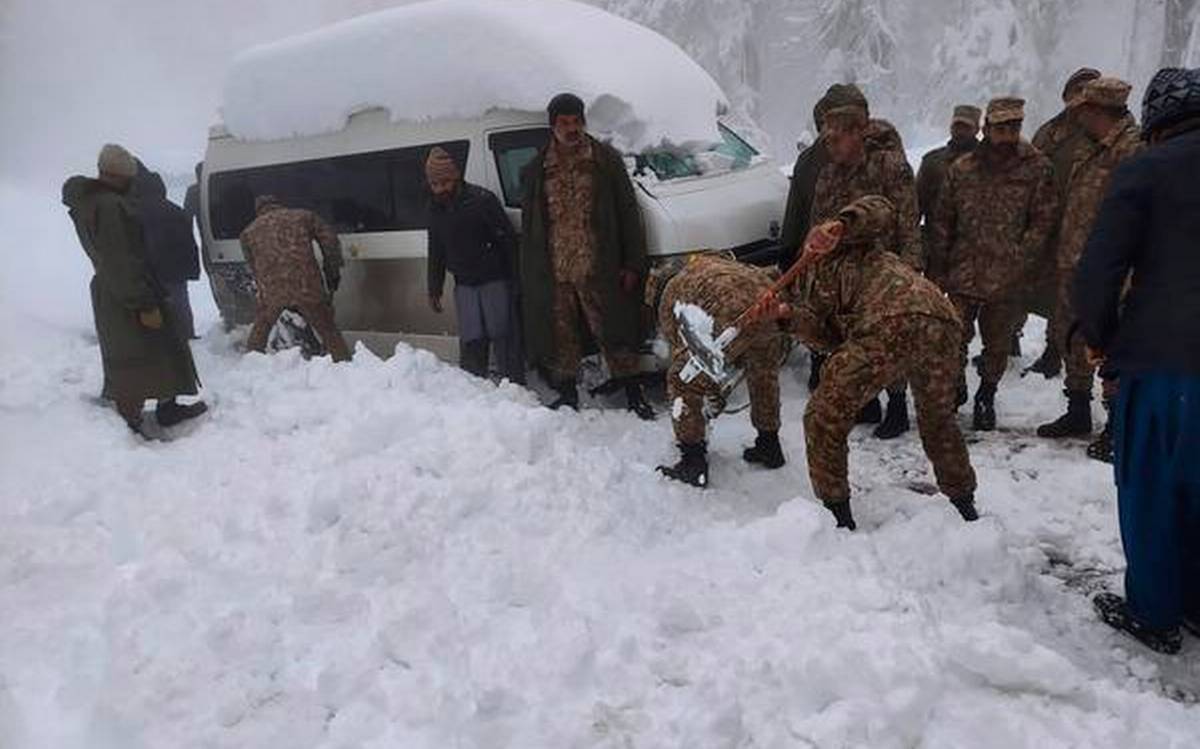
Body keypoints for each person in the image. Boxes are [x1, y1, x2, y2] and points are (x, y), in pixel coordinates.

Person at [1076, 67, 1200, 655]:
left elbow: (1099, 271)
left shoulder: (1146, 170)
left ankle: (1155, 611)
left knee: (1153, 487)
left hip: (1164, 362)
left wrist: (1101, 338)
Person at [783, 195, 978, 530]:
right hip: (939, 322)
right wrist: (785, 317)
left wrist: (841, 224)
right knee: (937, 420)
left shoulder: (848, 244)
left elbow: (881, 208)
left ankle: (837, 518)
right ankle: (966, 508)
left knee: (822, 416)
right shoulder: (808, 283)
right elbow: (831, 338)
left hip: (895, 318)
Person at [518, 92, 653, 419]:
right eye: (564, 122)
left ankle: (635, 394)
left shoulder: (605, 161)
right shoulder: (537, 170)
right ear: (553, 126)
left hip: (600, 268)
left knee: (616, 333)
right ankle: (567, 396)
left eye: (577, 120)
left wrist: (632, 262)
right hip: (557, 272)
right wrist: (533, 274)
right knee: (561, 337)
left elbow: (627, 212)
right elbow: (531, 226)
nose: (572, 128)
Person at [929, 96, 1057, 431]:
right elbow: (943, 219)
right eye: (1001, 127)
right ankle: (955, 385)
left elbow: (1043, 221)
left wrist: (1021, 257)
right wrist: (939, 267)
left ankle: (987, 393)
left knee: (997, 343)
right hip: (963, 272)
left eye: (1014, 126)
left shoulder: (1036, 167)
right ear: (987, 129)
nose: (1008, 134)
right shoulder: (963, 168)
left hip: (1007, 276)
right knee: (952, 335)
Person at [62, 144, 206, 434]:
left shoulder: (94, 203)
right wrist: (143, 302)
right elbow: (120, 259)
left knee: (153, 349)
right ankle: (132, 419)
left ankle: (164, 407)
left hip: (118, 288)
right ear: (118, 176)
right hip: (126, 292)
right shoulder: (110, 206)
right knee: (134, 355)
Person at [808, 84, 922, 440]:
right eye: (827, 142)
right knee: (856, 336)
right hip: (847, 276)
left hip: (888, 271)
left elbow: (908, 217)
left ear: (858, 133)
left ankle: (898, 405)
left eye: (837, 141)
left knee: (893, 337)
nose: (831, 148)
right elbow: (819, 222)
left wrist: (911, 268)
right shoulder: (829, 173)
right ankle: (868, 400)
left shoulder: (888, 165)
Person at [1036, 78, 1142, 440]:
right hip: (1075, 264)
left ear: (1099, 110)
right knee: (1073, 334)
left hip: (1114, 271)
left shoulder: (1134, 150)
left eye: (1083, 110)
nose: (1077, 117)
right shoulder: (1090, 147)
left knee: (1113, 343)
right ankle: (1077, 410)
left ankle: (1117, 425)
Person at [650, 254, 787, 488]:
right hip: (768, 300)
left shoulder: (671, 293)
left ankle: (692, 462)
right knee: (763, 374)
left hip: (731, 310)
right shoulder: (709, 265)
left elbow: (687, 357)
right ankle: (769, 445)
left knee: (682, 380)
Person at [1025, 67, 1103, 377]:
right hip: (1049, 223)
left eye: (1088, 90)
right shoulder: (1049, 132)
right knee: (1042, 287)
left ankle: (1060, 351)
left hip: (1088, 228)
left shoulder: (1104, 132)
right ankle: (1030, 342)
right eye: (1076, 90)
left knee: (1073, 296)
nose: (1080, 97)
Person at [425, 146, 524, 383]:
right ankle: (474, 390)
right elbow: (436, 250)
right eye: (435, 184)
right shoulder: (434, 209)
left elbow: (507, 241)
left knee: (504, 337)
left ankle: (515, 387)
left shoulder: (482, 200)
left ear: (456, 176)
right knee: (472, 339)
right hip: (464, 285)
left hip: (494, 280)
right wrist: (434, 288)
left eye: (445, 182)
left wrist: (517, 280)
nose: (441, 189)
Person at [239, 195, 351, 362]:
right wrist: (332, 272)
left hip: (272, 290)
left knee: (260, 330)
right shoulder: (303, 216)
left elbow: (253, 265)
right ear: (278, 204)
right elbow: (330, 240)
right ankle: (344, 365)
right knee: (328, 330)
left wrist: (265, 286)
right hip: (306, 285)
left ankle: (250, 365)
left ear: (258, 210)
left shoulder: (248, 232)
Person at [917, 104, 981, 285]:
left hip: (971, 258)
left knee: (962, 311)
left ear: (977, 129)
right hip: (935, 253)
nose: (960, 131)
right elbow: (916, 206)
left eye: (966, 127)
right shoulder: (932, 162)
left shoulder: (987, 163)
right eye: (957, 126)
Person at [136, 167, 200, 340]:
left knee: (155, 305)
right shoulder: (175, 210)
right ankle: (187, 334)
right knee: (180, 303)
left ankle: (162, 337)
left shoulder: (135, 212)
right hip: (176, 269)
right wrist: (191, 269)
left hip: (150, 270)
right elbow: (189, 242)